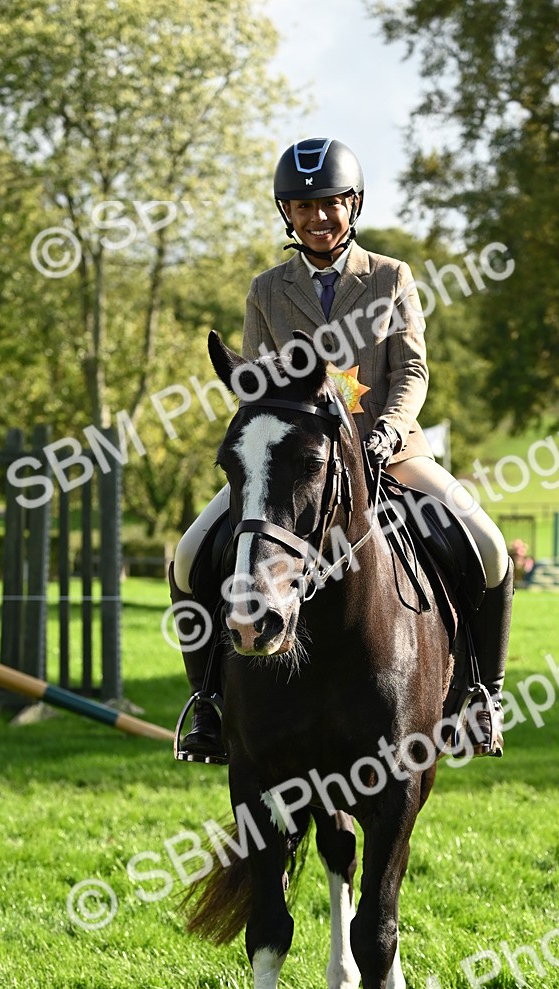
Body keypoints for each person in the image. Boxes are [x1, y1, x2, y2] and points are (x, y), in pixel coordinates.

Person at [170, 137, 513, 763]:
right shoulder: (266, 289)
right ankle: (210, 708)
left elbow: (412, 371)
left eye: (329, 204)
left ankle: (481, 698)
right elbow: (256, 385)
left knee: (488, 547)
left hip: (391, 448)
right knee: (190, 555)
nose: (317, 217)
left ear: (352, 205)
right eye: (302, 207)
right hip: (294, 463)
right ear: (286, 213)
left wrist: (386, 428)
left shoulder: (390, 277)